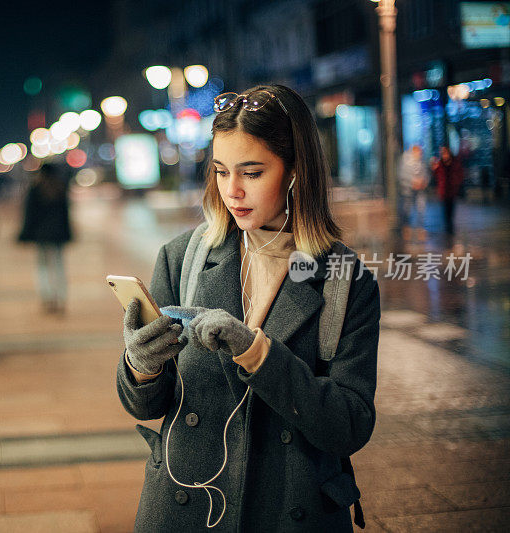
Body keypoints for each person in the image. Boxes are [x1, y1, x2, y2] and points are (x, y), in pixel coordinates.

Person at [116, 85, 380, 531]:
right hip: (187, 507)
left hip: (288, 511)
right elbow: (145, 406)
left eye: (252, 173)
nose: (232, 191)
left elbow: (349, 425)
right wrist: (141, 367)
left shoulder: (342, 277)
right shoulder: (183, 258)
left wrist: (259, 354)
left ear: (295, 170)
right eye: (220, 172)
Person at [18, 163, 72, 314]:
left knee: (42, 266)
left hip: (41, 235)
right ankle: (61, 297)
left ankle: (47, 297)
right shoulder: (60, 188)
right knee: (59, 265)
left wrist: (24, 234)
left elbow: (29, 215)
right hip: (58, 234)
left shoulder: (36, 189)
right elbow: (66, 214)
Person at [431, 146, 464, 240]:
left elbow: (460, 173)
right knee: (445, 210)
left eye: (445, 153)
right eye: (443, 153)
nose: (444, 155)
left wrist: (457, 182)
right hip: (443, 190)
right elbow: (435, 175)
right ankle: (448, 227)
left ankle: (450, 225)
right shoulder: (440, 164)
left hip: (452, 190)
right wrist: (434, 168)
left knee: (451, 208)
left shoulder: (454, 163)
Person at [398, 145, 429, 241]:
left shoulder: (421, 163)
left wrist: (423, 181)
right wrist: (412, 182)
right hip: (408, 191)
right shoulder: (405, 162)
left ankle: (420, 229)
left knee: (421, 210)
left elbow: (427, 174)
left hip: (420, 191)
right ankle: (406, 229)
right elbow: (402, 175)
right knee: (407, 210)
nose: (419, 155)